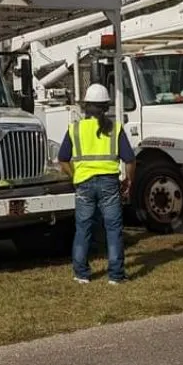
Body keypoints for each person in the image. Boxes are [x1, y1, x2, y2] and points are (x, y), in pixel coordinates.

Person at [58, 83, 136, 285]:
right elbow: (129, 159)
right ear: (106, 106)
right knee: (113, 228)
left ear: (86, 106)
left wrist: (75, 176)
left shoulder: (75, 129)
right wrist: (129, 180)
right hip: (110, 182)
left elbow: (62, 159)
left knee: (83, 228)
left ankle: (81, 273)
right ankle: (116, 275)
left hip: (83, 182)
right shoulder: (115, 128)